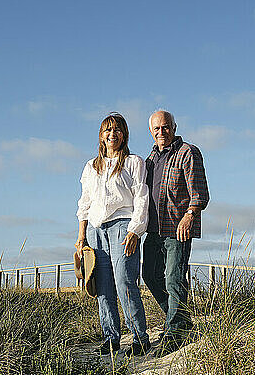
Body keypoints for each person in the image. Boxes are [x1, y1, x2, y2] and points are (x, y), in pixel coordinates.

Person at [75, 113, 151, 356]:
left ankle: (140, 337)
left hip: (123, 226)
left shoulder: (133, 162)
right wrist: (81, 236)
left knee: (125, 282)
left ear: (124, 135)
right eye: (107, 130)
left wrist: (135, 231)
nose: (112, 134)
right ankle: (111, 338)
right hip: (96, 231)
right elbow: (85, 203)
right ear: (100, 135)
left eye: (117, 130)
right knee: (103, 287)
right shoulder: (91, 166)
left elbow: (141, 197)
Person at [142, 110, 210, 356]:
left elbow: (200, 192)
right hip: (153, 230)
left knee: (174, 279)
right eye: (157, 128)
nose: (162, 132)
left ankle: (176, 332)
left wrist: (190, 215)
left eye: (166, 127)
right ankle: (181, 320)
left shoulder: (188, 152)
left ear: (174, 127)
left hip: (177, 229)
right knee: (149, 275)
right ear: (151, 131)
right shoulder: (149, 159)